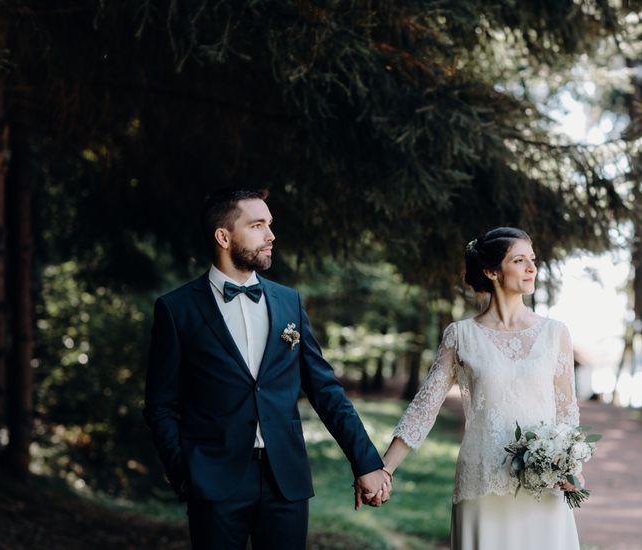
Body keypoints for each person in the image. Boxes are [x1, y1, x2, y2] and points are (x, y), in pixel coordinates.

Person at [143, 188, 391, 550]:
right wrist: (184, 472)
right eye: (257, 225)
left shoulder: (288, 302)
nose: (271, 235)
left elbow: (325, 390)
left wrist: (366, 462)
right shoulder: (176, 309)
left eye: (269, 225)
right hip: (214, 481)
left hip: (285, 480)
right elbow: (160, 404)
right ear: (224, 236)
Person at [378, 227, 583, 549]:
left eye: (532, 259)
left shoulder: (556, 333)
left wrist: (569, 464)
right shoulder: (460, 335)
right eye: (519, 260)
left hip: (543, 483)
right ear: (491, 271)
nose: (532, 268)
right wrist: (384, 469)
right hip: (481, 480)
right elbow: (424, 408)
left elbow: (567, 410)